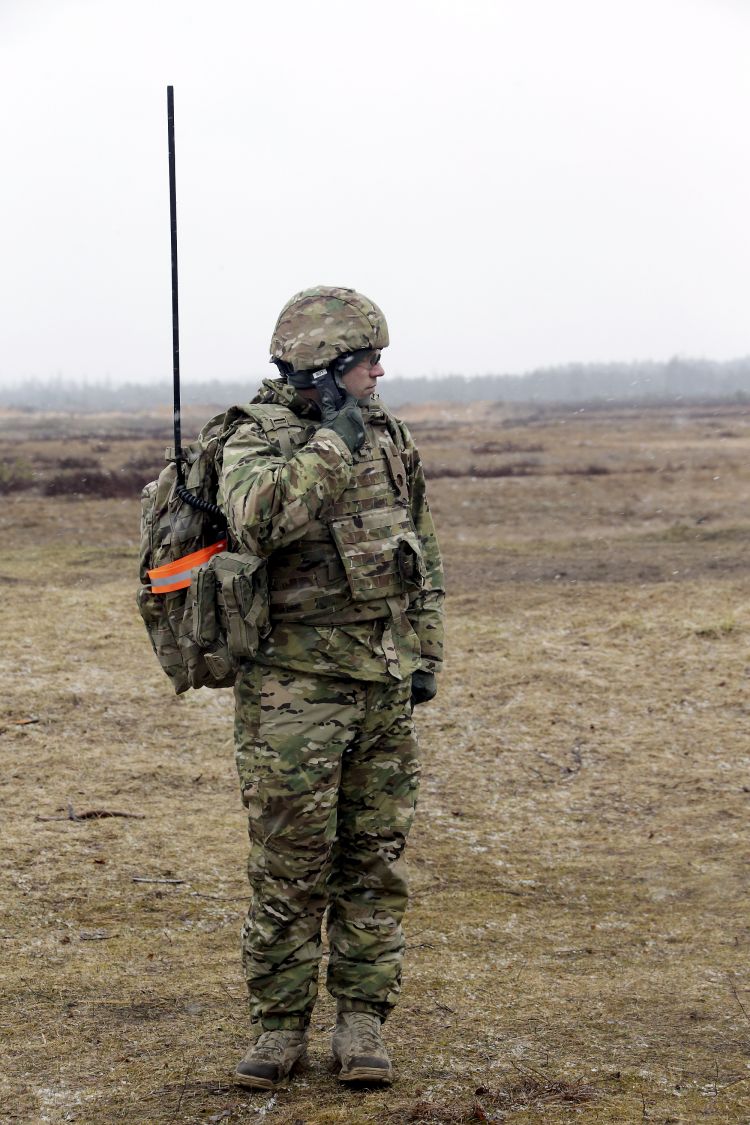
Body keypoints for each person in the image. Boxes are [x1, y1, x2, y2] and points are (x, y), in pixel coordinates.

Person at [217, 286, 444, 1089]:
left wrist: (426, 652)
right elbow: (256, 519)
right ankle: (278, 1029)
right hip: (293, 693)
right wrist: (330, 446)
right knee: (290, 865)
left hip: (381, 682)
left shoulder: (389, 435)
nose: (379, 373)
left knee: (373, 861)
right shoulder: (256, 437)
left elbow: (422, 546)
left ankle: (361, 1023)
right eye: (366, 361)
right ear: (322, 369)